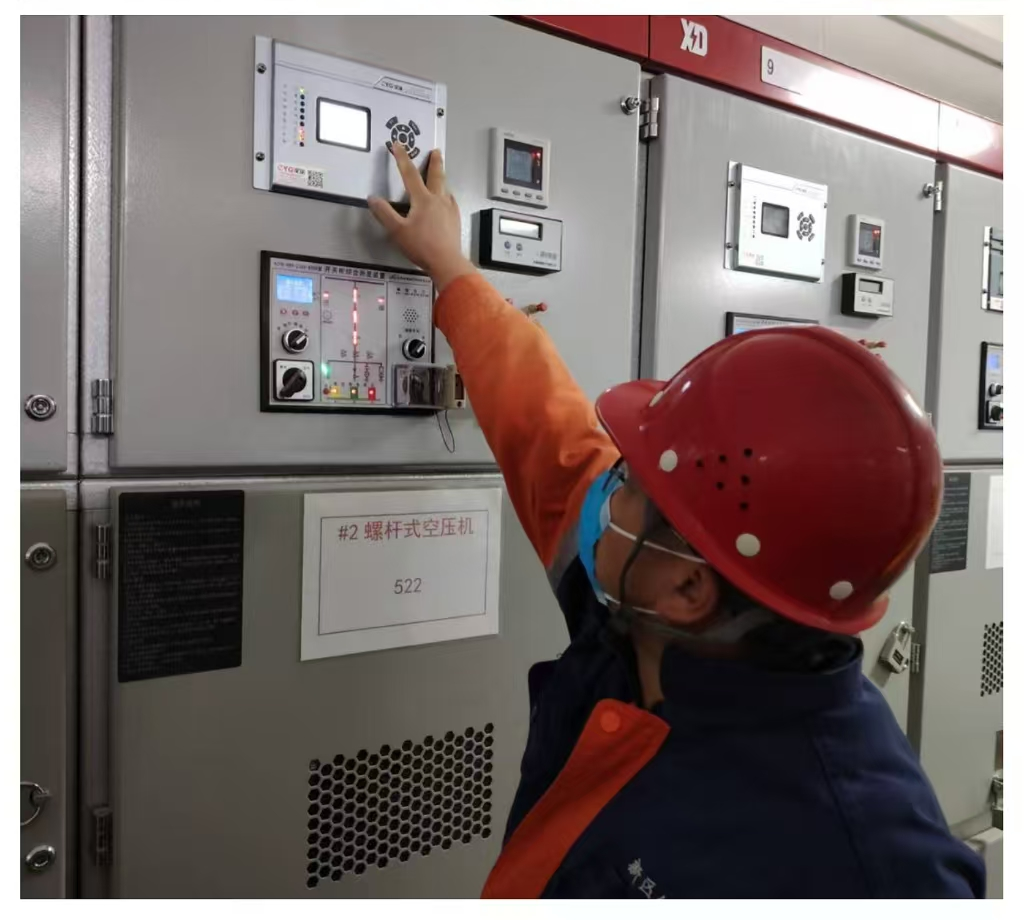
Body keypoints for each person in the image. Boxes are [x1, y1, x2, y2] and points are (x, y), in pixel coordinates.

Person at [368, 143, 986, 899]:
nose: (605, 484)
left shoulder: (873, 865)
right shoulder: (650, 620)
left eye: (628, 483)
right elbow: (549, 436)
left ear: (688, 588)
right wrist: (451, 268)